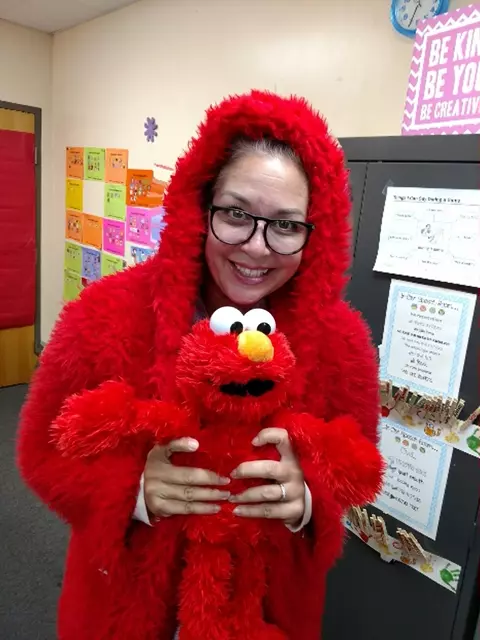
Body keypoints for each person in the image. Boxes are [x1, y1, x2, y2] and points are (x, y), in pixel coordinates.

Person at [17, 90, 381, 640]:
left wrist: (308, 497)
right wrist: (131, 490)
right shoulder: (105, 313)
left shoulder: (341, 341)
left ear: (316, 232)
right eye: (236, 214)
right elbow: (42, 450)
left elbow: (357, 465)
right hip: (121, 602)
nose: (256, 247)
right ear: (200, 206)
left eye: (286, 225)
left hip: (266, 609)